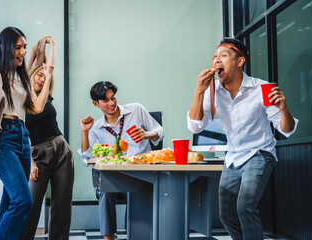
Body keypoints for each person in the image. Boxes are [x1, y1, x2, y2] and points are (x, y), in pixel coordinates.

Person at [187, 37, 298, 240]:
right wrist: (199, 91)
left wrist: (284, 109)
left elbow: (287, 130)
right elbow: (195, 126)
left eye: (223, 55)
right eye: (214, 56)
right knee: (226, 214)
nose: (216, 60)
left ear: (240, 61)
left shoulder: (261, 89)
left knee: (245, 207)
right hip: (233, 157)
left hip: (259, 153)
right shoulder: (212, 92)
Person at [79, 81, 164, 240]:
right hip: (117, 177)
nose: (112, 103)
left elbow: (160, 131)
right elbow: (87, 159)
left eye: (113, 98)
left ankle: (143, 234)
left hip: (142, 174)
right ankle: (109, 238)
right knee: (105, 189)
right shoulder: (96, 128)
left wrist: (147, 134)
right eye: (106, 100)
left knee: (138, 195)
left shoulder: (136, 110)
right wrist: (85, 132)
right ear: (96, 104)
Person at [0, 27, 53, 239]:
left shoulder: (22, 77)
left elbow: (36, 107)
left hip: (23, 139)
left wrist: (49, 73)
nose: (23, 52)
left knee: (9, 204)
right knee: (23, 200)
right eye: (18, 47)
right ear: (3, 47)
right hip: (3, 138)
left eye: (24, 47)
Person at [23, 36, 74, 240]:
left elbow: (50, 66)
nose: (43, 78)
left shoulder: (46, 96)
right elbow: (22, 131)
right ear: (33, 73)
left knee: (62, 205)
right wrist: (31, 162)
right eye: (39, 75)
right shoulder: (22, 94)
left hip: (61, 149)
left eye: (46, 77)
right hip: (37, 152)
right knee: (31, 205)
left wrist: (53, 46)